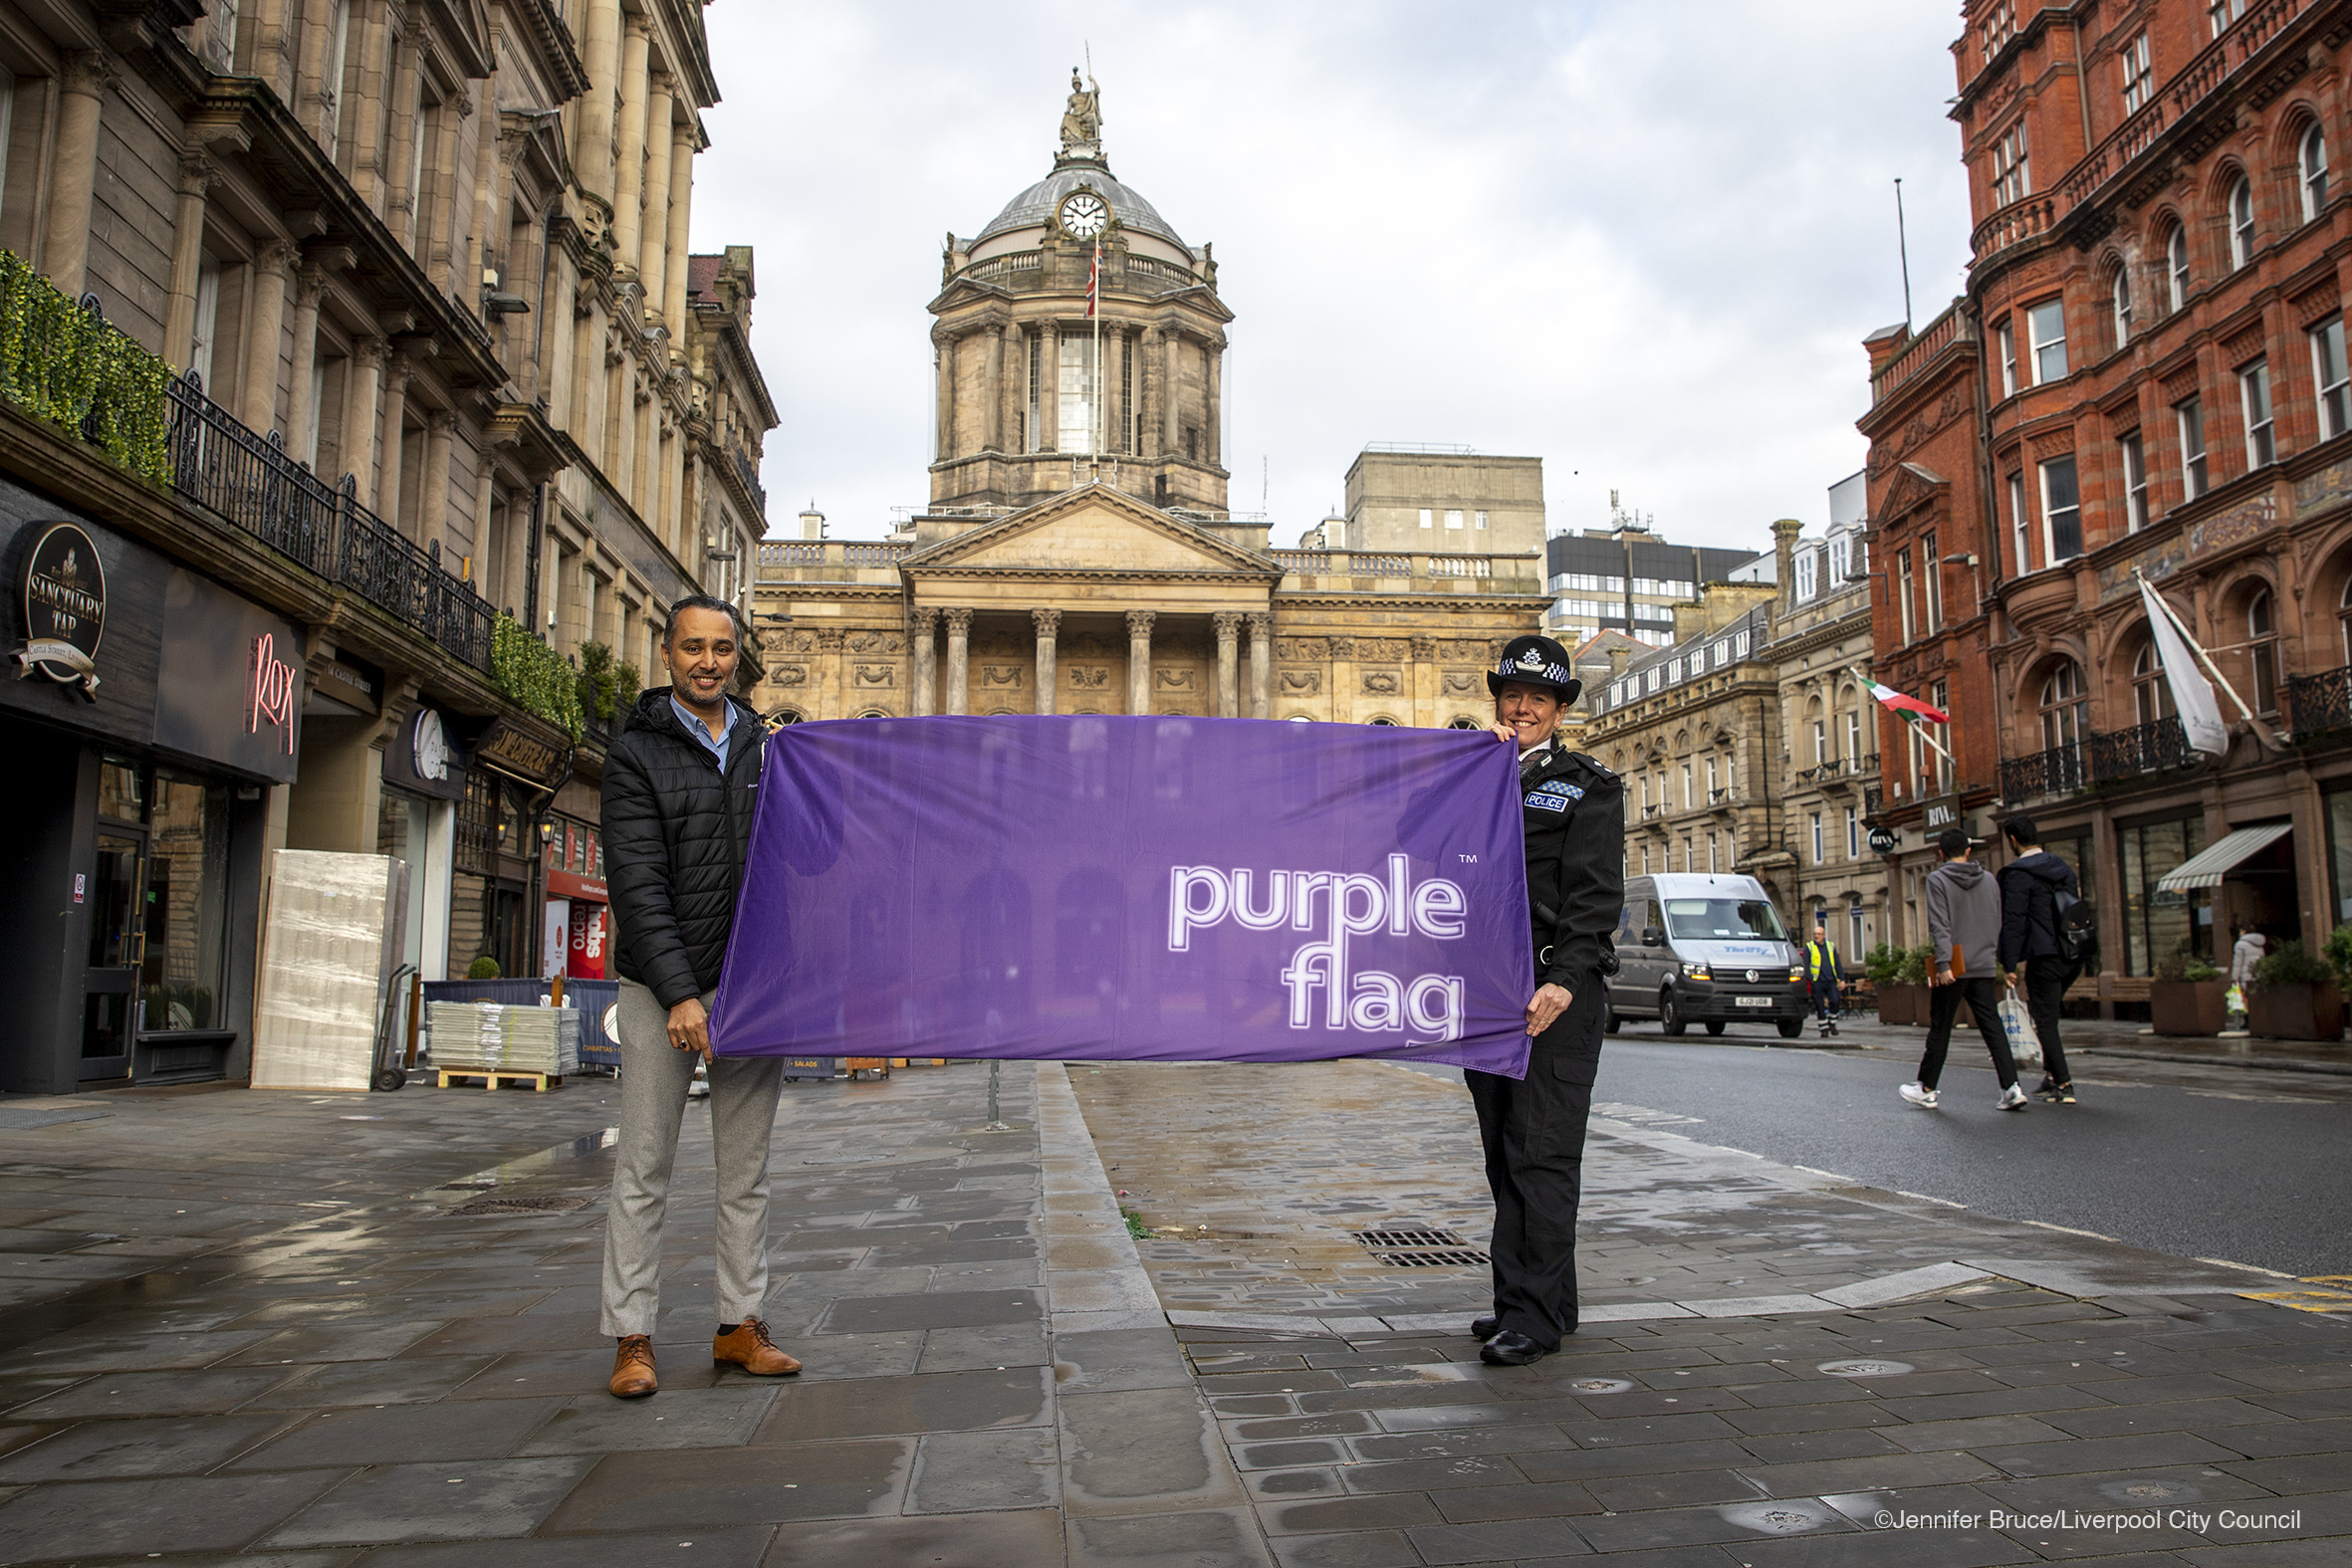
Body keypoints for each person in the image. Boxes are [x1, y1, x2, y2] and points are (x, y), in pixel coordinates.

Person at [599, 595, 801, 1398]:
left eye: (721, 648)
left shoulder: (764, 747)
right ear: (667, 654)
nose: (708, 661)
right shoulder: (634, 753)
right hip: (662, 987)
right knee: (644, 1165)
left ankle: (738, 1325)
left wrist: (803, 778)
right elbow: (636, 885)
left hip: (752, 984)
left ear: (737, 657)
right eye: (693, 648)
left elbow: (804, 865)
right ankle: (632, 1336)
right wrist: (681, 993)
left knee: (744, 1171)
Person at [1465, 634, 1625, 1368]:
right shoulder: (1472, 772)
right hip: (1489, 993)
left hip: (1554, 992)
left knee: (1542, 1154)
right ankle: (1535, 1300)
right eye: (1512, 694)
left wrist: (1565, 979)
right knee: (1504, 1153)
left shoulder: (1587, 786)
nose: (1522, 706)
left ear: (1560, 709)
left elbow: (1595, 897)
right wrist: (1477, 767)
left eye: (1538, 698)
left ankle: (1532, 1316)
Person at [1903, 827, 2026, 1112]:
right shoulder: (1989, 880)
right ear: (1969, 850)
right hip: (1983, 963)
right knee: (1992, 1027)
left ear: (1941, 853)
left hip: (1955, 966)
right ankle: (2011, 1087)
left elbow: (1940, 924)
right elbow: (1997, 921)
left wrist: (1944, 963)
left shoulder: (1937, 880)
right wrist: (1992, 956)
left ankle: (1926, 1088)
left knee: (1941, 1026)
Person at [1997, 814, 2078, 1106]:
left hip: (2043, 955)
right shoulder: (2062, 867)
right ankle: (2052, 1077)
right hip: (2072, 954)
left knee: (2044, 1020)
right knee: (2048, 1016)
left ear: (2013, 840)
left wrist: (2009, 964)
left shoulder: (2019, 874)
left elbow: (2014, 921)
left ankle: (2065, 1084)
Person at [1802, 922, 1842, 1037]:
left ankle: (1832, 1023)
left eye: (1819, 934)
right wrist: (1811, 979)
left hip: (1830, 980)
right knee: (1819, 1005)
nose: (1816, 936)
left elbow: (1837, 963)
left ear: (1824, 935)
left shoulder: (1830, 946)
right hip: (1818, 981)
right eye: (1815, 934)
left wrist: (1841, 978)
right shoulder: (1809, 947)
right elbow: (1806, 964)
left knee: (1835, 1001)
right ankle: (1823, 1029)